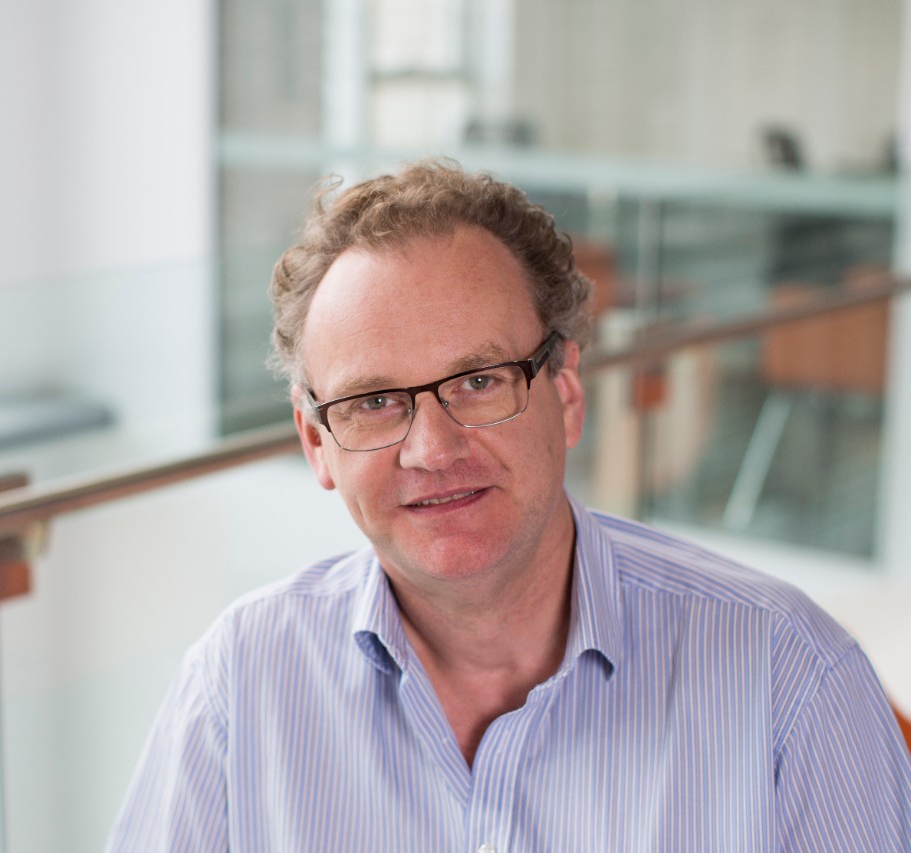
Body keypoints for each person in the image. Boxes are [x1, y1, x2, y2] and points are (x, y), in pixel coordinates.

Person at [107, 160, 911, 851]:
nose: (430, 448)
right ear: (316, 441)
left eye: (479, 381)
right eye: (374, 401)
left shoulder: (791, 678)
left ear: (565, 392)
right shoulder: (240, 684)